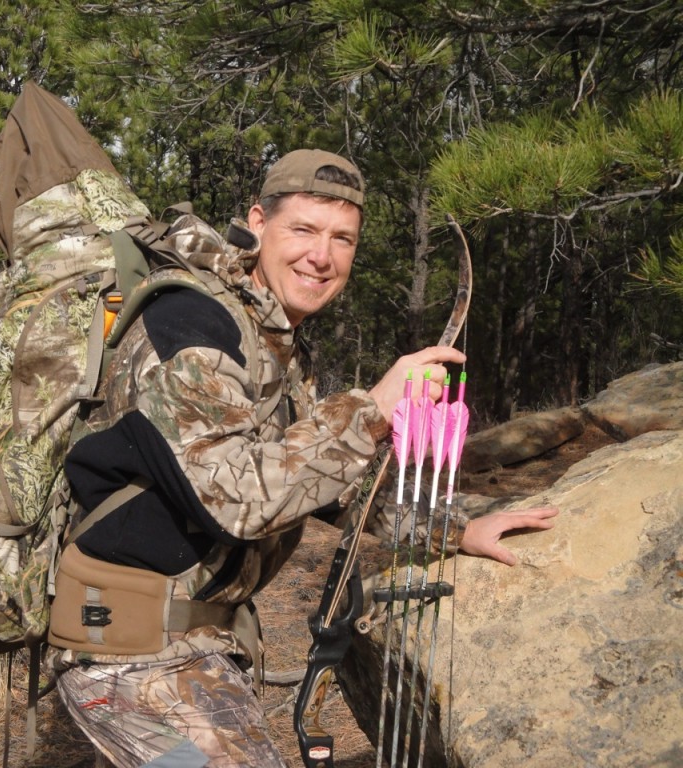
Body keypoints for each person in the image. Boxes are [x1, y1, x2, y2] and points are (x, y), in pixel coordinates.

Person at [46, 149, 559, 767]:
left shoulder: (272, 339)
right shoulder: (191, 328)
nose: (322, 256)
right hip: (130, 661)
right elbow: (235, 502)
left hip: (190, 646)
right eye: (304, 230)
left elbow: (325, 489)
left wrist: (455, 530)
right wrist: (372, 409)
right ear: (258, 223)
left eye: (342, 238)